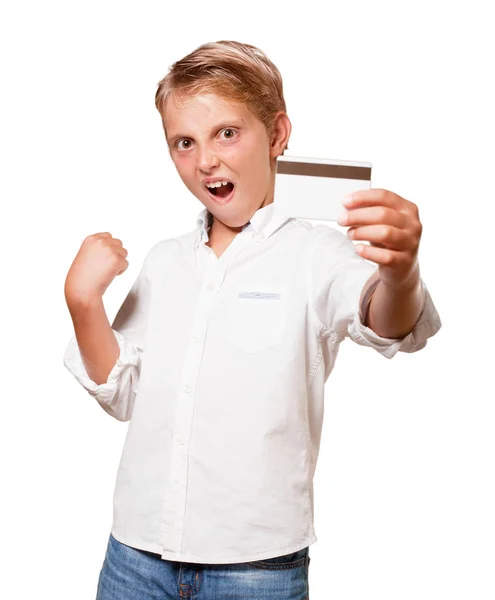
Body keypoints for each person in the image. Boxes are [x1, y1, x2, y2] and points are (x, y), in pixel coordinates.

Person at [63, 40, 442, 599]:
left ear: (278, 135)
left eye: (227, 133)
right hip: (134, 557)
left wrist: (402, 271)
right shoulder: (165, 260)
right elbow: (124, 396)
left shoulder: (316, 253)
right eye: (184, 143)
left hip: (254, 572)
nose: (206, 161)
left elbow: (385, 320)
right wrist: (82, 303)